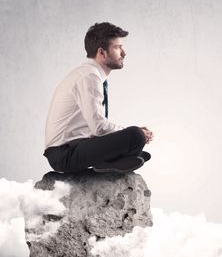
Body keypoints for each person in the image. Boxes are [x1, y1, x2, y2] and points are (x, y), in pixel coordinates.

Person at [43, 22, 153, 173]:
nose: (124, 53)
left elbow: (96, 130)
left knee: (136, 141)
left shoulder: (92, 75)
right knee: (135, 136)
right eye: (118, 47)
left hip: (77, 146)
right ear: (102, 52)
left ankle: (107, 162)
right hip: (64, 154)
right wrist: (132, 132)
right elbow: (99, 128)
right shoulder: (89, 76)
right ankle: (110, 160)